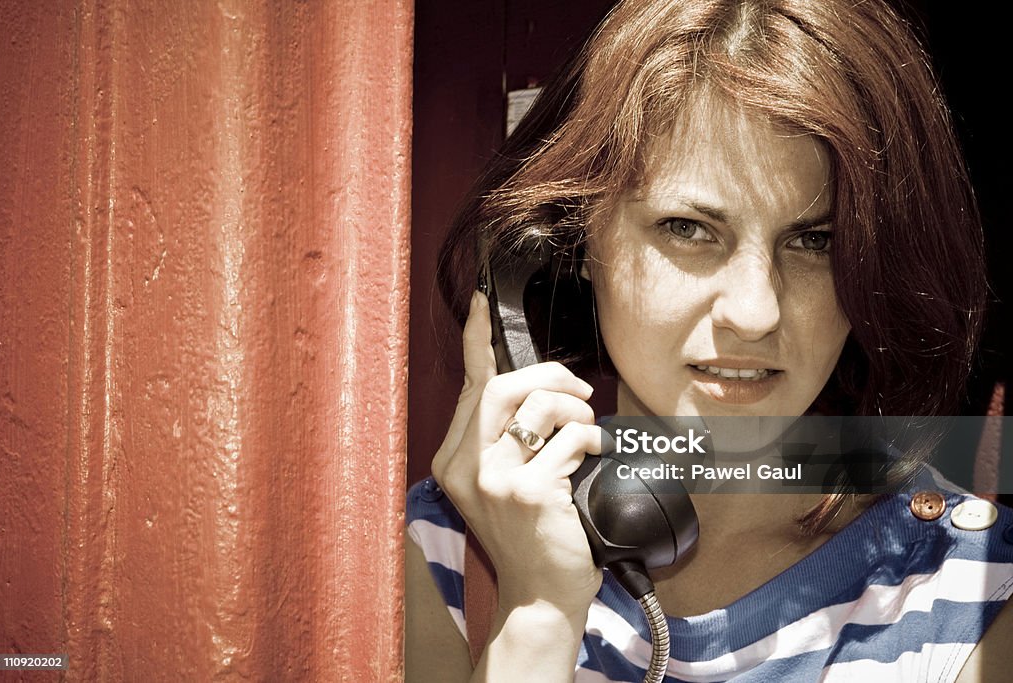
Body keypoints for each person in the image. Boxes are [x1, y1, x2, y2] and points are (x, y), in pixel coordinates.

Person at [406, 0, 1013, 680]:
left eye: (816, 240)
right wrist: (536, 615)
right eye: (688, 228)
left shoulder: (973, 594)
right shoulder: (448, 557)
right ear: (572, 241)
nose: (755, 313)